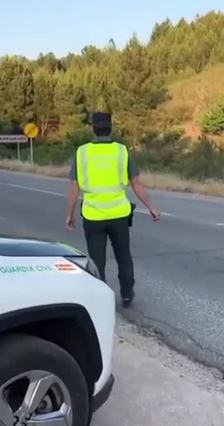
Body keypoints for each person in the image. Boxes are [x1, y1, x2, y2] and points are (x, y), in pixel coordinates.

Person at [65, 112, 161, 307]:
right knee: (123, 256)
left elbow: (74, 186)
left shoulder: (82, 152)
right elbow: (136, 184)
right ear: (110, 128)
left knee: (96, 260)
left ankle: (101, 298)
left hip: (93, 216)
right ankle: (126, 294)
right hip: (119, 215)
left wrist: (70, 214)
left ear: (93, 127)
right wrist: (151, 207)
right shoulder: (121, 151)